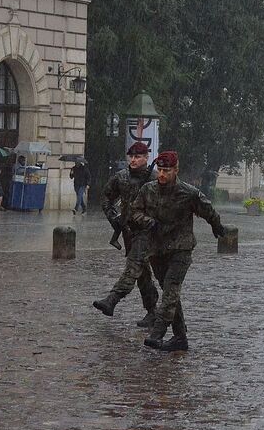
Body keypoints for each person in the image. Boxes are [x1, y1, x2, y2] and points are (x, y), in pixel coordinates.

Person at [131, 151, 226, 352]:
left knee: (171, 288)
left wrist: (217, 226)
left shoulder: (188, 193)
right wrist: (148, 221)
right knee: (169, 292)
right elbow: (134, 212)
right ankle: (180, 337)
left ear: (176, 170)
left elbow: (208, 210)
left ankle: (157, 332)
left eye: (167, 171)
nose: (162, 175)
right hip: (157, 249)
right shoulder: (148, 190)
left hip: (180, 249)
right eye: (160, 170)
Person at [92, 142, 160, 329]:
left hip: (147, 232)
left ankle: (112, 300)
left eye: (138, 157)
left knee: (133, 267)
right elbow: (106, 197)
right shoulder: (121, 177)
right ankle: (153, 311)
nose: (133, 160)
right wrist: (113, 218)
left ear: (146, 158)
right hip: (128, 232)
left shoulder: (155, 178)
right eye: (131, 156)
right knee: (142, 273)